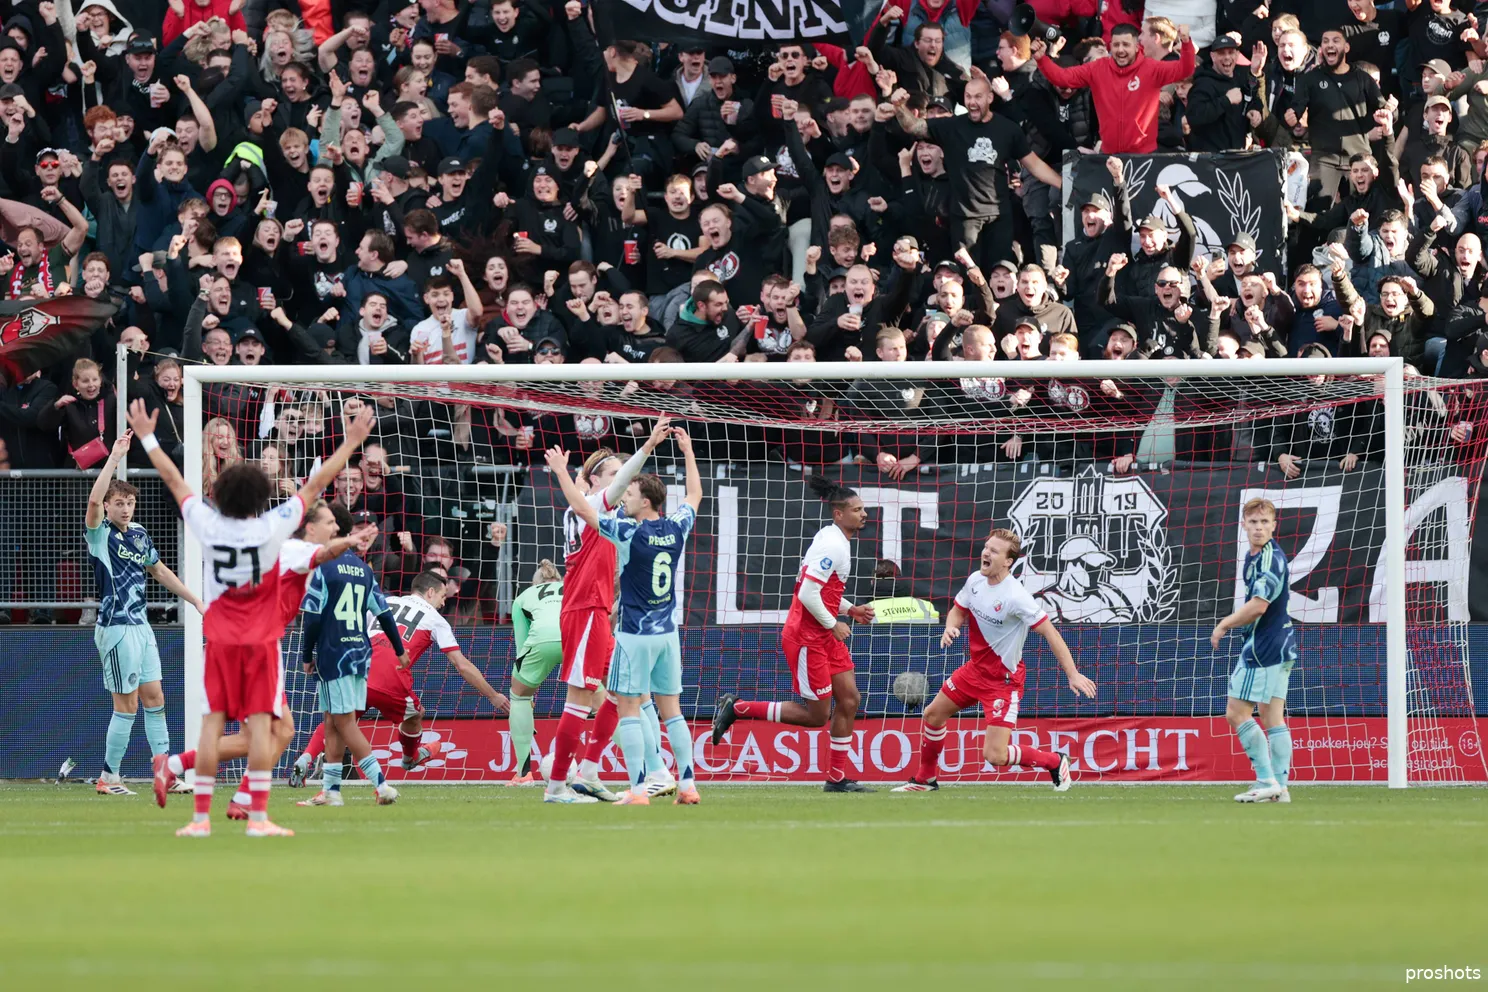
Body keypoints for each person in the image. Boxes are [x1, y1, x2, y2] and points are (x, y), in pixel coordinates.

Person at [125, 397, 377, 838]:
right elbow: (316, 484)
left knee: (211, 724)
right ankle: (257, 817)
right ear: (262, 497)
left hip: (219, 637)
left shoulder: (206, 523)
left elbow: (172, 477)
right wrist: (351, 442)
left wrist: (147, 436)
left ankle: (199, 818)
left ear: (218, 496)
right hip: (260, 638)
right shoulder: (273, 528)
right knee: (263, 725)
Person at [549, 426, 703, 805]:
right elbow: (694, 495)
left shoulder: (627, 527)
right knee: (588, 699)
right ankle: (558, 783)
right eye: (616, 476)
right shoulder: (595, 509)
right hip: (590, 610)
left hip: (607, 612)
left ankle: (591, 768)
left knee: (621, 696)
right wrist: (652, 445)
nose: (623, 485)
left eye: (628, 482)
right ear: (594, 481)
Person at [893, 529, 1097, 792]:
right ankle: (925, 779)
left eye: (994, 551)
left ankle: (1055, 761)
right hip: (973, 671)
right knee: (932, 714)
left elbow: (1050, 632)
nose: (986, 553)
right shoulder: (975, 581)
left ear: (1008, 561)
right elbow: (957, 610)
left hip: (1003, 682)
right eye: (986, 547)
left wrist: (1073, 674)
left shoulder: (1016, 596)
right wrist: (950, 627)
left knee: (995, 755)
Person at [711, 475, 877, 793]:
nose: (863, 513)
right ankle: (738, 707)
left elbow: (818, 591)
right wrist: (833, 623)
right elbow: (806, 595)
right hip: (807, 637)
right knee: (817, 716)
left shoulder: (835, 539)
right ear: (838, 514)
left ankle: (837, 779)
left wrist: (850, 609)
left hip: (824, 634)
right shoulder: (832, 543)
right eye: (856, 509)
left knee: (850, 699)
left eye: (863, 508)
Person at [85, 432, 202, 795]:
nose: (125, 509)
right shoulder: (100, 534)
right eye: (118, 503)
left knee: (156, 699)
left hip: (141, 625)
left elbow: (160, 571)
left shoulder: (138, 533)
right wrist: (115, 456)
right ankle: (109, 777)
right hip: (115, 626)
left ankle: (164, 771)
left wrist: (194, 600)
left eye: (129, 503)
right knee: (127, 703)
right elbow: (92, 500)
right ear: (108, 506)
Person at [296, 503, 408, 808]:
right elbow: (384, 613)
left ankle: (382, 785)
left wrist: (307, 654)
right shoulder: (363, 569)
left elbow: (313, 618)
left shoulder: (322, 568)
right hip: (360, 652)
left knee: (345, 723)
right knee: (332, 720)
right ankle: (331, 791)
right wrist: (399, 650)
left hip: (335, 653)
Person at [1210, 497, 1297, 803]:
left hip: (1265, 646)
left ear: (1274, 526)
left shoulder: (1270, 560)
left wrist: (1223, 624)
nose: (1259, 528)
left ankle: (1266, 779)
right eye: (1253, 522)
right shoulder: (1255, 555)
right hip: (1281, 643)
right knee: (1272, 716)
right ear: (1244, 525)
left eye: (1264, 522)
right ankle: (1281, 788)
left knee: (1236, 713)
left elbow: (1258, 607)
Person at [506, 559, 565, 785]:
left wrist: (528, 692)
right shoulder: (572, 587)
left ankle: (523, 774)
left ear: (535, 583)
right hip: (579, 639)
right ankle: (643, 772)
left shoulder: (523, 597)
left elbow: (523, 646)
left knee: (519, 695)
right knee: (605, 702)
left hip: (543, 640)